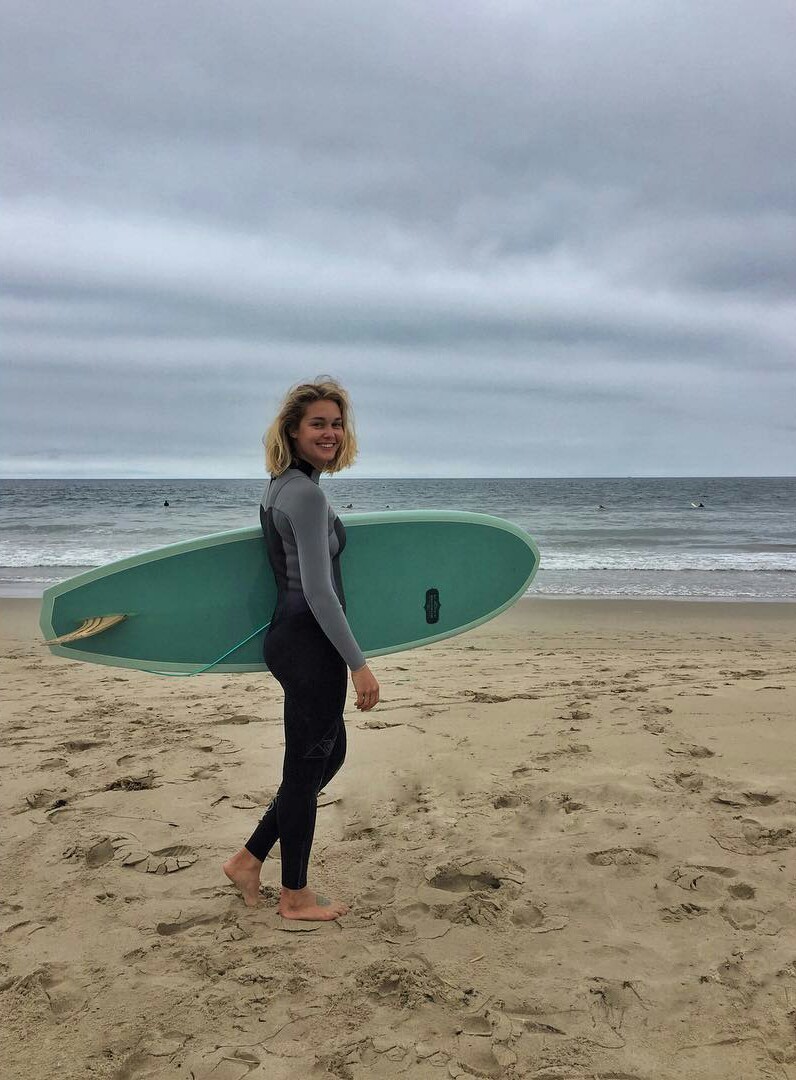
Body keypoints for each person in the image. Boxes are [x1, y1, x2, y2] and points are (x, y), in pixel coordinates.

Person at [222, 377, 379, 921]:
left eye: (337, 423)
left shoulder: (281, 486)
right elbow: (318, 592)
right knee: (307, 767)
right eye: (318, 424)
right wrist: (358, 664)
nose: (330, 432)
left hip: (292, 639)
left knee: (324, 757)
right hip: (310, 644)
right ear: (292, 429)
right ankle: (294, 895)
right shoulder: (306, 495)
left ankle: (248, 859)